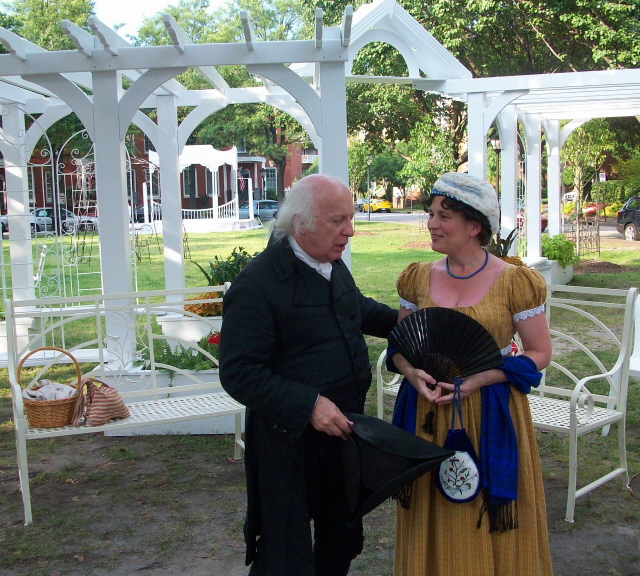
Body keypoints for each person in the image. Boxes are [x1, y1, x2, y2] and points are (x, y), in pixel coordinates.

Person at [218, 173, 399, 576]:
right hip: (287, 445)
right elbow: (238, 371)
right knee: (285, 556)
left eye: (350, 218)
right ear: (300, 223)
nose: (350, 231)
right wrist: (309, 405)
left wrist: (408, 322)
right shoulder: (257, 284)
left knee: (341, 541)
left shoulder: (330, 263)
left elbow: (355, 308)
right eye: (337, 221)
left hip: (341, 436)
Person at [389, 172, 553, 576]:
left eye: (444, 216)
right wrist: (411, 373)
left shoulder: (514, 281)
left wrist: (480, 379)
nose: (431, 223)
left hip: (489, 414)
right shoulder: (417, 277)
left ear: (475, 226)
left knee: (483, 510)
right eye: (431, 214)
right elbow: (399, 347)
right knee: (432, 507)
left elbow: (539, 352)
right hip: (428, 414)